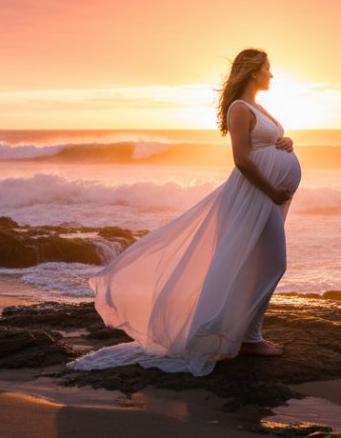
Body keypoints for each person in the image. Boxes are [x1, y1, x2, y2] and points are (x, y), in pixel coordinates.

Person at [67, 48, 300, 376]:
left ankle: (245, 334)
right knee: (273, 263)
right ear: (252, 72)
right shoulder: (239, 109)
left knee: (261, 263)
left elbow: (266, 144)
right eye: (267, 69)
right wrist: (273, 190)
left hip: (261, 197)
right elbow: (242, 159)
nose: (271, 75)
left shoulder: (258, 108)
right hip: (253, 195)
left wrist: (286, 142)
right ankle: (248, 337)